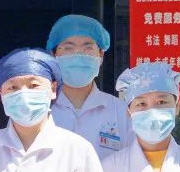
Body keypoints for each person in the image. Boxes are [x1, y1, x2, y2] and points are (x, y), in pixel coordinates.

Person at [46, 14, 132, 159]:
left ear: (101, 55)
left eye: (88, 48)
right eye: (68, 48)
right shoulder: (39, 108)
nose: (78, 55)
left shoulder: (120, 111)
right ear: (54, 55)